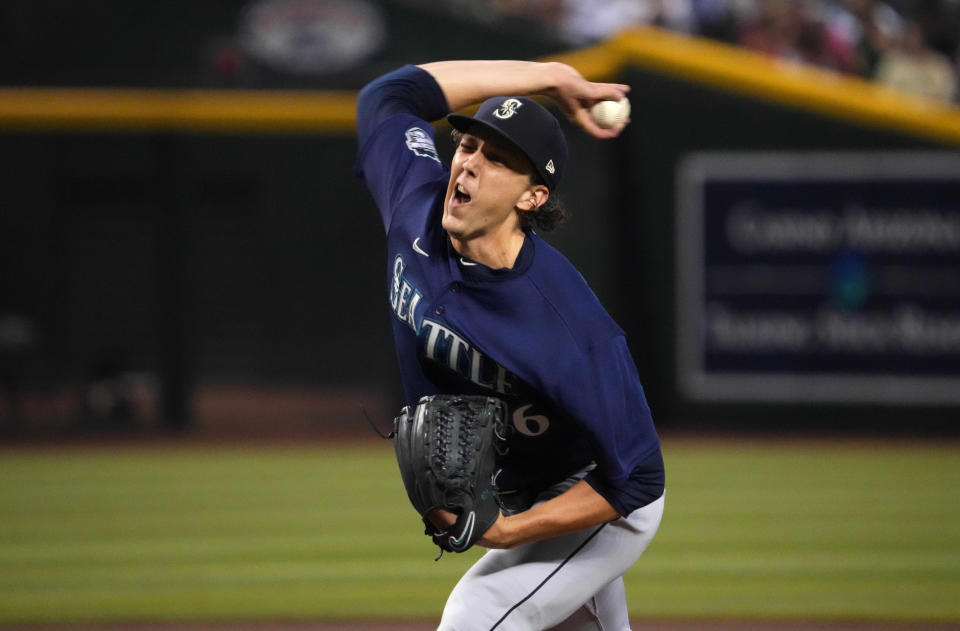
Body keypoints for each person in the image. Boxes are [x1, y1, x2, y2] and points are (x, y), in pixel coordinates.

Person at [355, 60, 665, 630]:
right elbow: (391, 94)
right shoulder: (412, 199)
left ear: (532, 196)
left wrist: (504, 532)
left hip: (598, 497)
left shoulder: (565, 323)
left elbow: (640, 477)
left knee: (479, 614)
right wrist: (549, 76)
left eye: (496, 159)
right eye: (467, 145)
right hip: (525, 485)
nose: (469, 164)